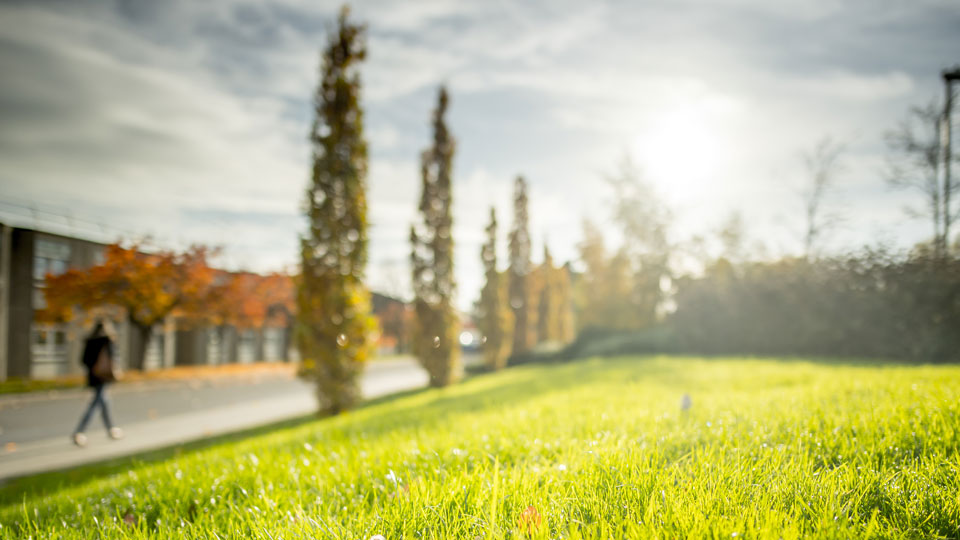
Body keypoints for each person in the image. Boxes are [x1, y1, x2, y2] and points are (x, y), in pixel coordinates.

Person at [72, 321, 123, 447]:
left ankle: (111, 428)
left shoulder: (90, 341)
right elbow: (113, 359)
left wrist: (93, 368)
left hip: (93, 377)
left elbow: (83, 360)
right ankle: (79, 431)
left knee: (104, 401)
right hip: (104, 376)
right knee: (96, 403)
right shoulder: (107, 341)